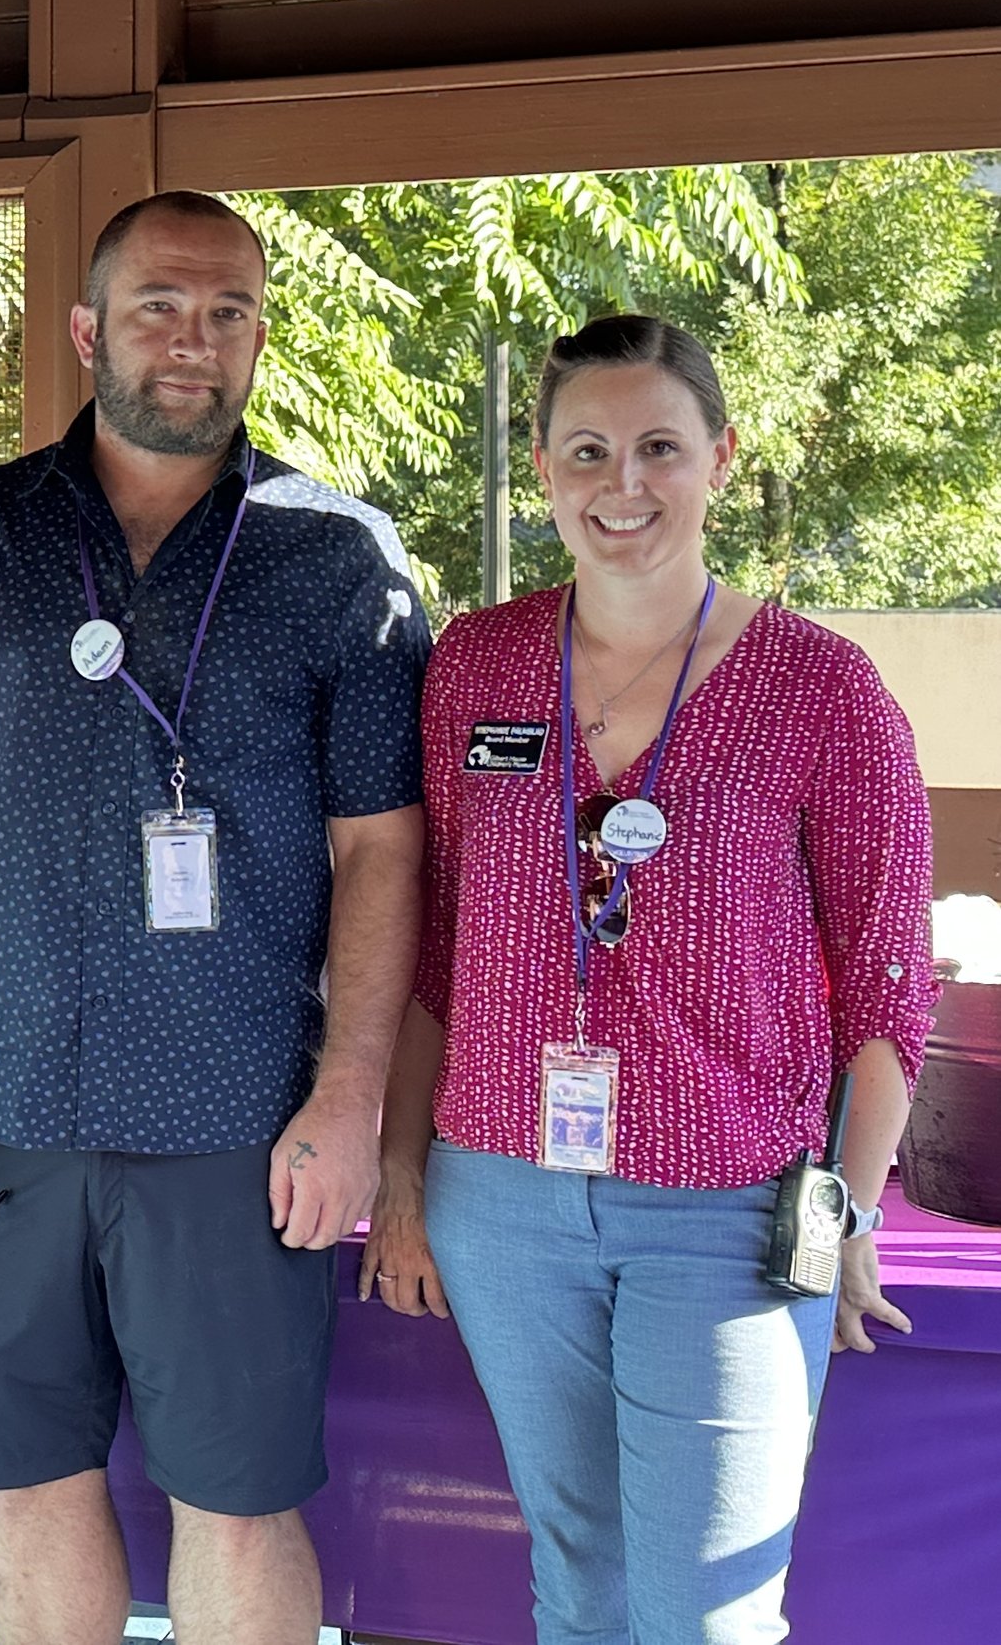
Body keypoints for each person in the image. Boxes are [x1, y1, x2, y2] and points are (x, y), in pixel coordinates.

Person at [0, 191, 429, 1645]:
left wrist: (352, 1097)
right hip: (0, 1101)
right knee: (29, 1485)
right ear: (89, 327)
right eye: (161, 304)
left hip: (239, 1110)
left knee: (238, 1493)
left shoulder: (336, 554)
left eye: (229, 311)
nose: (194, 339)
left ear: (261, 338)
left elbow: (383, 851)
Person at [362, 314, 934, 1645]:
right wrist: (402, 1175)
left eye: (661, 448)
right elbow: (433, 948)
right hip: (499, 1197)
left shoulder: (825, 690)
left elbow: (887, 983)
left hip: (726, 1211)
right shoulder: (475, 669)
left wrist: (844, 1212)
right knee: (581, 1584)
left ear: (722, 459)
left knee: (708, 1615)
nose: (625, 486)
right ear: (547, 471)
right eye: (590, 452)